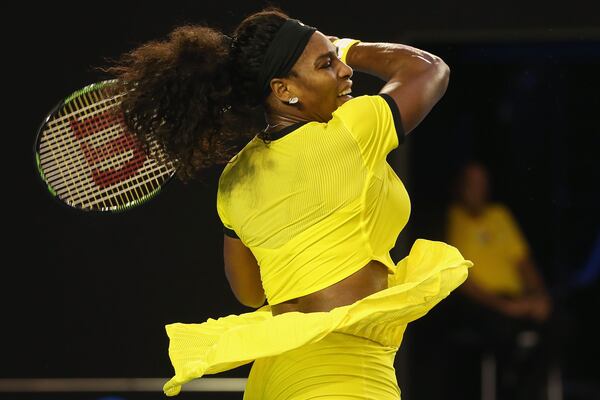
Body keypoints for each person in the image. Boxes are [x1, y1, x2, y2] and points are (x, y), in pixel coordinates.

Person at [104, 6, 472, 399]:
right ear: (284, 90)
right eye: (326, 64)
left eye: (335, 61)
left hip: (276, 379)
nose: (344, 72)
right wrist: (346, 47)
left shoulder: (235, 176)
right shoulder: (350, 133)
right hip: (344, 378)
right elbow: (429, 70)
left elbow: (250, 292)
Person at [446, 161, 553, 400]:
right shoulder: (455, 220)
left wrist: (538, 296)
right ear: (460, 187)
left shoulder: (500, 215)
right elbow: (462, 282)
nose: (478, 189)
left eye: (482, 183)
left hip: (517, 299)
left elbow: (524, 262)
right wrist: (505, 307)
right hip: (485, 304)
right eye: (472, 183)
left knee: (557, 325)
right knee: (503, 333)